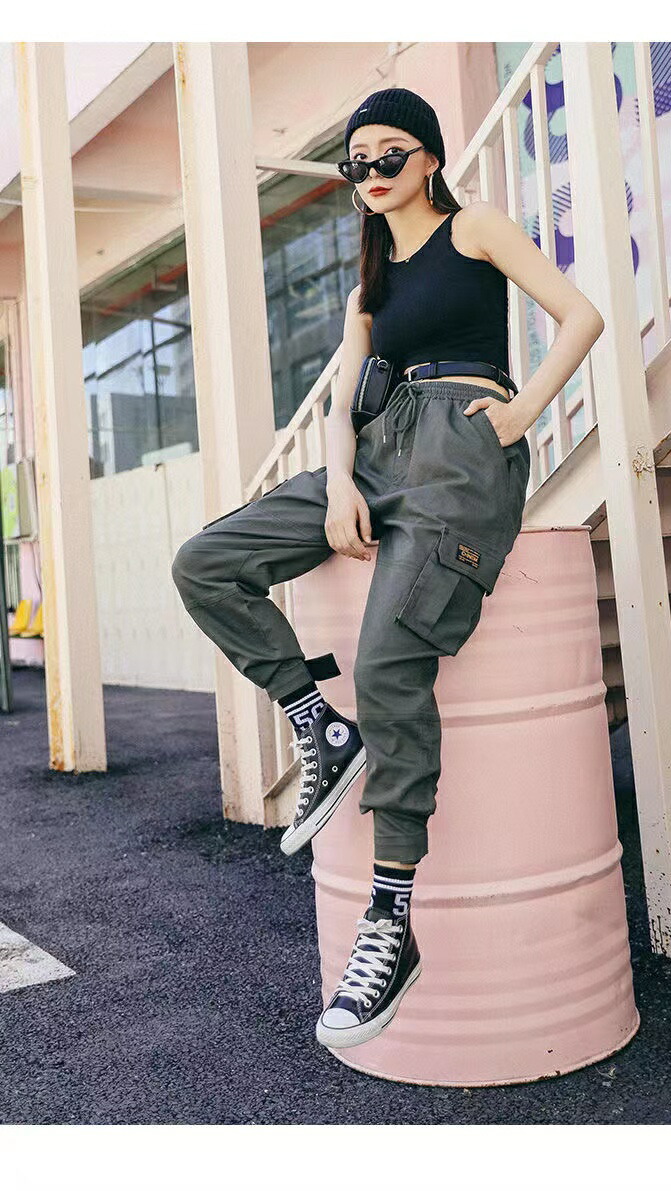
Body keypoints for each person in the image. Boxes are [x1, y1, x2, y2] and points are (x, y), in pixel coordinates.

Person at [171, 86, 604, 1052]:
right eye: (357, 161)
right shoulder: (368, 281)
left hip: (463, 448)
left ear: (431, 158)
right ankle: (317, 724)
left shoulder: (474, 227)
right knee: (207, 561)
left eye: (390, 154)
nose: (372, 172)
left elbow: (581, 315)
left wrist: (522, 412)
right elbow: (340, 399)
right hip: (375, 450)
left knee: (387, 662)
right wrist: (336, 485)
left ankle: (389, 920)